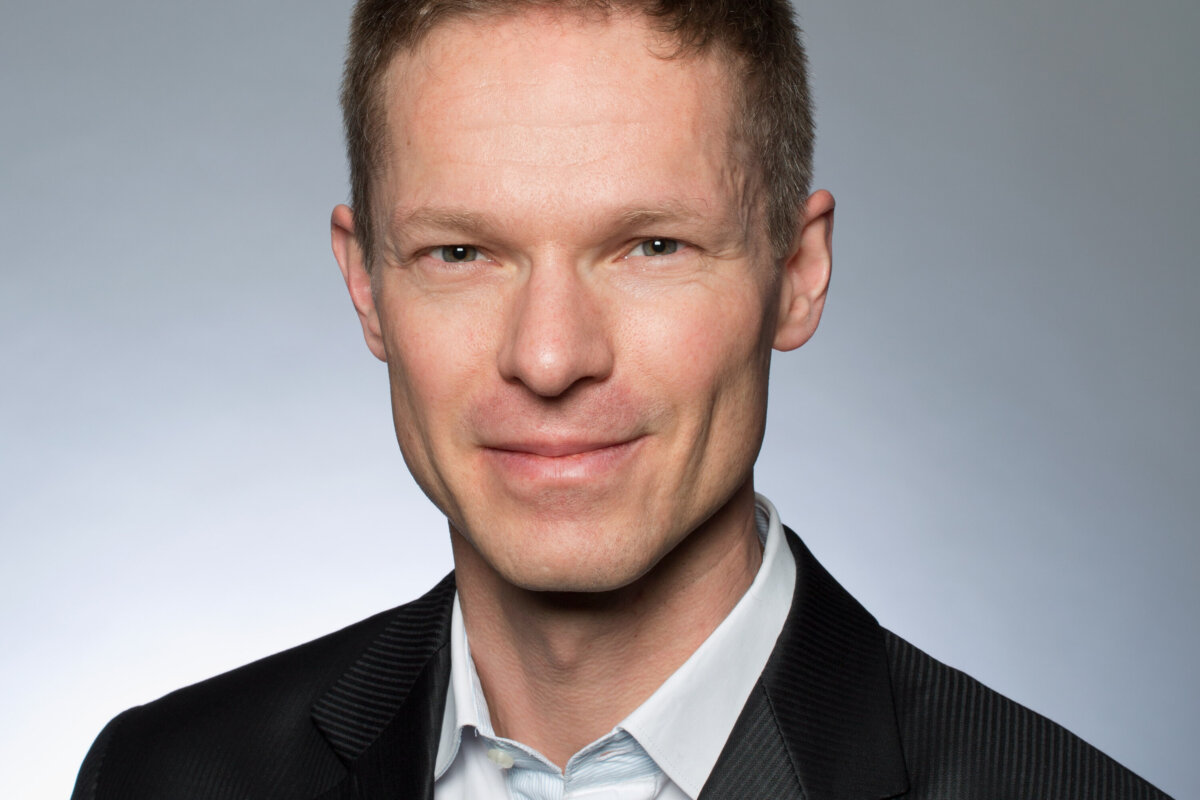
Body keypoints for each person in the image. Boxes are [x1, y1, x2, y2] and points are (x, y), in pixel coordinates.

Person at [70, 1, 1171, 798]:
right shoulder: (165, 776)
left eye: (652, 246)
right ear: (367, 286)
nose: (550, 357)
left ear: (797, 272)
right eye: (462, 252)